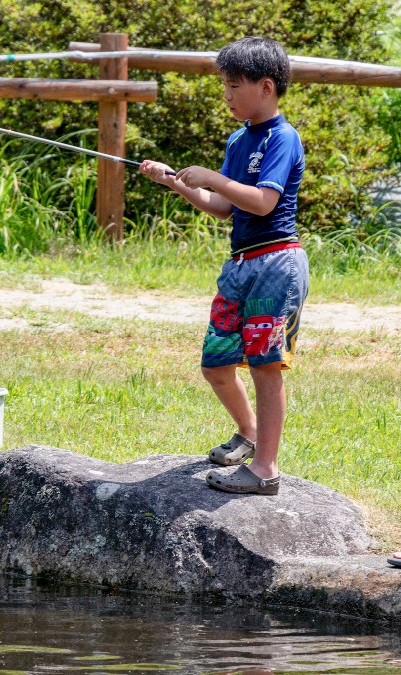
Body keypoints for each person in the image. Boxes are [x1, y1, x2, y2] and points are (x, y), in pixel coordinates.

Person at [139, 36, 307, 496]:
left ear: (266, 86)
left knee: (265, 366)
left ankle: (266, 470)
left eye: (234, 86)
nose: (227, 96)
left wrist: (215, 177)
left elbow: (261, 201)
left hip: (276, 264)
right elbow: (221, 206)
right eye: (225, 86)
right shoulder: (239, 139)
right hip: (240, 266)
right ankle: (248, 434)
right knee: (217, 364)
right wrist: (176, 181)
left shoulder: (281, 138)